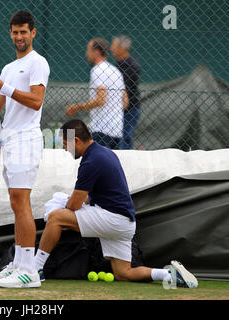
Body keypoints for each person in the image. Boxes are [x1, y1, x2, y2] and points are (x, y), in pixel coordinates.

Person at [34, 119, 198, 288]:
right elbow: (93, 196)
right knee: (123, 273)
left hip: (113, 219)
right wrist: (72, 200)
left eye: (65, 144)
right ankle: (169, 275)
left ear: (76, 140)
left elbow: (74, 205)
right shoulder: (103, 152)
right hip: (124, 223)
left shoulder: (91, 161)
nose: (64, 149)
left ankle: (35, 269)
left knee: (56, 217)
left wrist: (63, 204)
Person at [0, 10, 50, 288]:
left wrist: (2, 86)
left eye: (24, 32)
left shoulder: (38, 63)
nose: (19, 37)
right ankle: (17, 265)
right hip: (9, 139)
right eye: (15, 32)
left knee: (22, 202)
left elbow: (36, 101)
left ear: (32, 33)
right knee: (16, 203)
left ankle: (29, 271)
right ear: (10, 33)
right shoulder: (8, 68)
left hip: (26, 140)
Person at [66, 38, 128, 149]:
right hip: (117, 131)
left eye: (88, 50)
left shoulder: (98, 70)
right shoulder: (116, 71)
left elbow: (101, 100)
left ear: (97, 51)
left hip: (102, 130)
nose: (86, 54)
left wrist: (77, 107)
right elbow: (125, 103)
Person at [111, 35, 141, 149]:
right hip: (119, 109)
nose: (111, 49)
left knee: (124, 140)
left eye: (114, 46)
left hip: (129, 110)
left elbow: (124, 90)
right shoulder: (119, 65)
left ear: (122, 48)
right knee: (119, 140)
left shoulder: (131, 66)